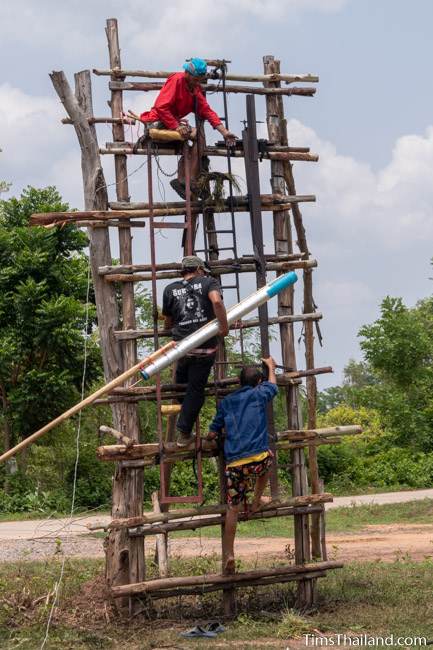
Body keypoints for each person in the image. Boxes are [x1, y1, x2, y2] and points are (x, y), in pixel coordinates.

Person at [207, 356, 278, 573]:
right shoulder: (259, 394)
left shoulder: (227, 402)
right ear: (258, 382)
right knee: (269, 459)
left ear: (239, 383)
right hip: (257, 459)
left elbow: (212, 431)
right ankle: (256, 500)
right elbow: (273, 385)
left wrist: (212, 436)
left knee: (232, 508)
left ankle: (229, 554)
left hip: (234, 462)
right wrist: (272, 367)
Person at [139, 57, 236, 198]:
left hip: (172, 125)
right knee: (192, 134)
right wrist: (177, 126)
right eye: (196, 79)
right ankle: (187, 180)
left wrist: (225, 132)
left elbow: (207, 111)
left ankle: (186, 180)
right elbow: (161, 107)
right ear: (188, 74)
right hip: (157, 122)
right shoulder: (177, 80)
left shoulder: (195, 90)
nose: (197, 82)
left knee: (198, 136)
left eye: (200, 80)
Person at [162, 256, 229, 446]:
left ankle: (185, 413)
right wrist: (224, 327)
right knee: (195, 390)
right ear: (199, 269)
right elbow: (216, 302)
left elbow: (167, 322)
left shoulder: (170, 289)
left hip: (181, 349)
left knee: (182, 388)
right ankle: (184, 432)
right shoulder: (209, 282)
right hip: (204, 348)